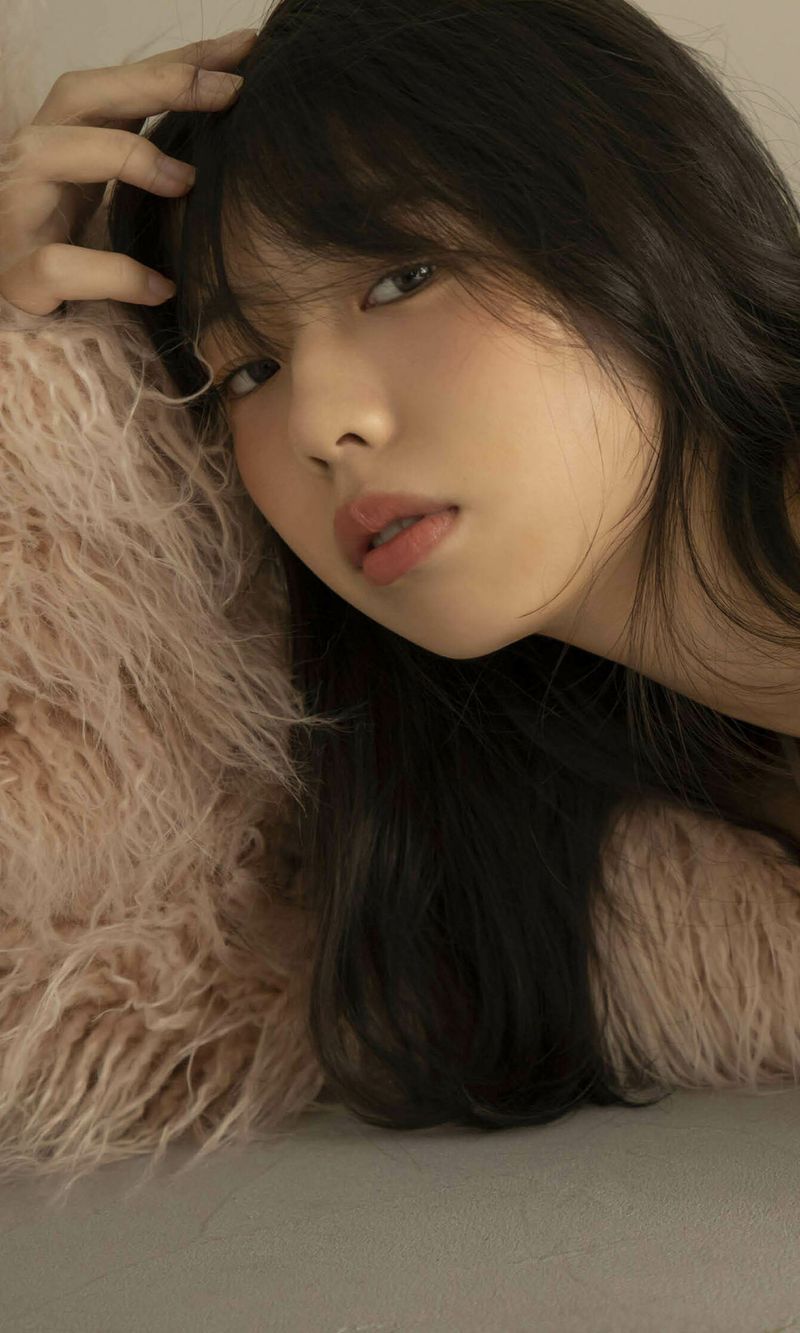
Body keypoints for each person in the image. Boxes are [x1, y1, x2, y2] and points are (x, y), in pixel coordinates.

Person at [2, 1, 800, 1164]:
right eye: (248, 369)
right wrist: (28, 383)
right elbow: (107, 976)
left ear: (636, 211)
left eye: (399, 278)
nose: (322, 424)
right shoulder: (633, 834)